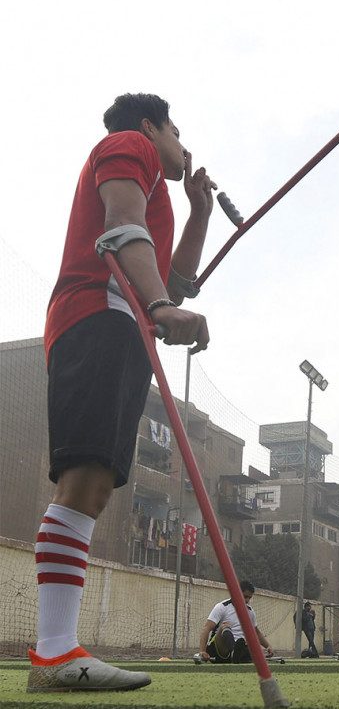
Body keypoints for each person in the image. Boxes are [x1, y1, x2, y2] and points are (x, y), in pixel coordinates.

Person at [29, 93, 214, 693]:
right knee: (83, 480)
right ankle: (55, 654)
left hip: (121, 326)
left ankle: (57, 653)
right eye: (177, 132)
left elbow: (174, 286)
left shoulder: (157, 185)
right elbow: (121, 229)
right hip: (97, 317)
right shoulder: (128, 145)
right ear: (150, 127)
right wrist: (157, 304)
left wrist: (199, 213)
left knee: (94, 485)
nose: (184, 146)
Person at [197, 581, 275, 664]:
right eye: (245, 597)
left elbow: (256, 632)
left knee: (246, 642)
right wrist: (202, 651)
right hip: (219, 650)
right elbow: (206, 628)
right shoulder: (222, 607)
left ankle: (237, 654)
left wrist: (268, 646)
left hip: (240, 648)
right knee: (225, 625)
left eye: (249, 598)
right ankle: (233, 651)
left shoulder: (250, 611)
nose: (247, 600)